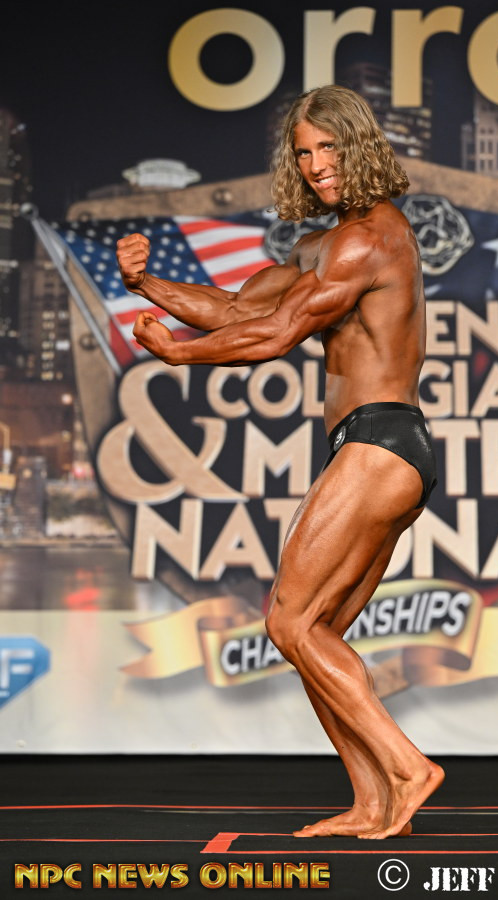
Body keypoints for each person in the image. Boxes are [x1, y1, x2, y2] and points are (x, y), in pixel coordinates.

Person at [116, 85, 443, 840]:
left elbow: (276, 334)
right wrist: (147, 287)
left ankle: (408, 767)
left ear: (359, 147)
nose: (316, 163)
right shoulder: (321, 246)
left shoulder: (371, 238)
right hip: (384, 448)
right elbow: (240, 309)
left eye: (329, 147)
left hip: (380, 442)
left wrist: (180, 355)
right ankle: (372, 801)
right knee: (314, 636)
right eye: (304, 152)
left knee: (290, 621)